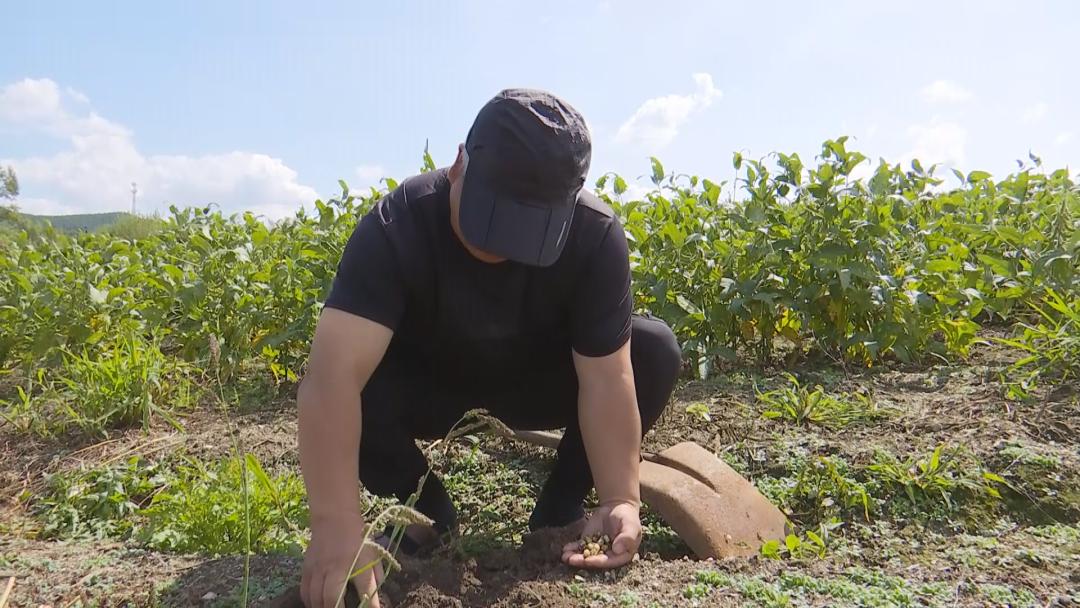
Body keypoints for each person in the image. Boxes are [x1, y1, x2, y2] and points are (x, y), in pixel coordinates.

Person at [297, 88, 682, 608]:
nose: (497, 249)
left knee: (652, 350)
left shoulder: (594, 237)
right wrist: (335, 523)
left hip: (536, 380)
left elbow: (607, 380)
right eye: (489, 221)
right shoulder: (398, 225)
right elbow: (331, 379)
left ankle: (560, 508)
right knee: (355, 385)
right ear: (458, 164)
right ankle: (426, 515)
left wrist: (621, 498)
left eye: (525, 233)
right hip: (428, 384)